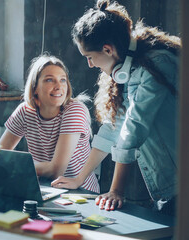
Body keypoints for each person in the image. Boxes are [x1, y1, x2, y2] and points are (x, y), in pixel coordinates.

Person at [51, 0, 180, 215]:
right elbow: (114, 127)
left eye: (90, 57)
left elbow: (133, 128)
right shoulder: (129, 71)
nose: (90, 64)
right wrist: (79, 179)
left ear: (107, 49)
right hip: (171, 188)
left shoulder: (158, 65)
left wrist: (116, 190)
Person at [0, 54, 100, 193]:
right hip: (45, 189)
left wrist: (15, 165)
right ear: (35, 88)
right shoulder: (25, 111)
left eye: (63, 80)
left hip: (80, 193)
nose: (58, 86)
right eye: (49, 80)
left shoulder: (75, 110)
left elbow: (56, 170)